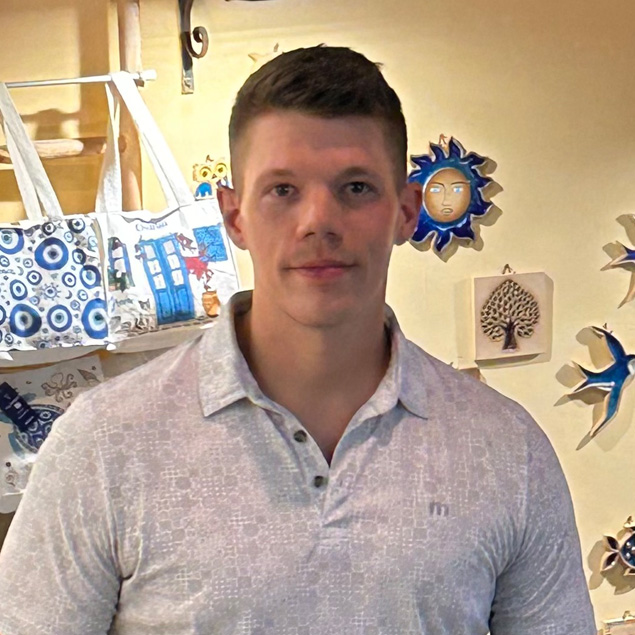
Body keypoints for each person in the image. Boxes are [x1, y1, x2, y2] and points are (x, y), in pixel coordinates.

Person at [0, 46, 596, 634]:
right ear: (234, 218)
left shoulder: (507, 453)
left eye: (356, 187)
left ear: (406, 212)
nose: (319, 220)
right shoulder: (104, 444)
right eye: (282, 190)